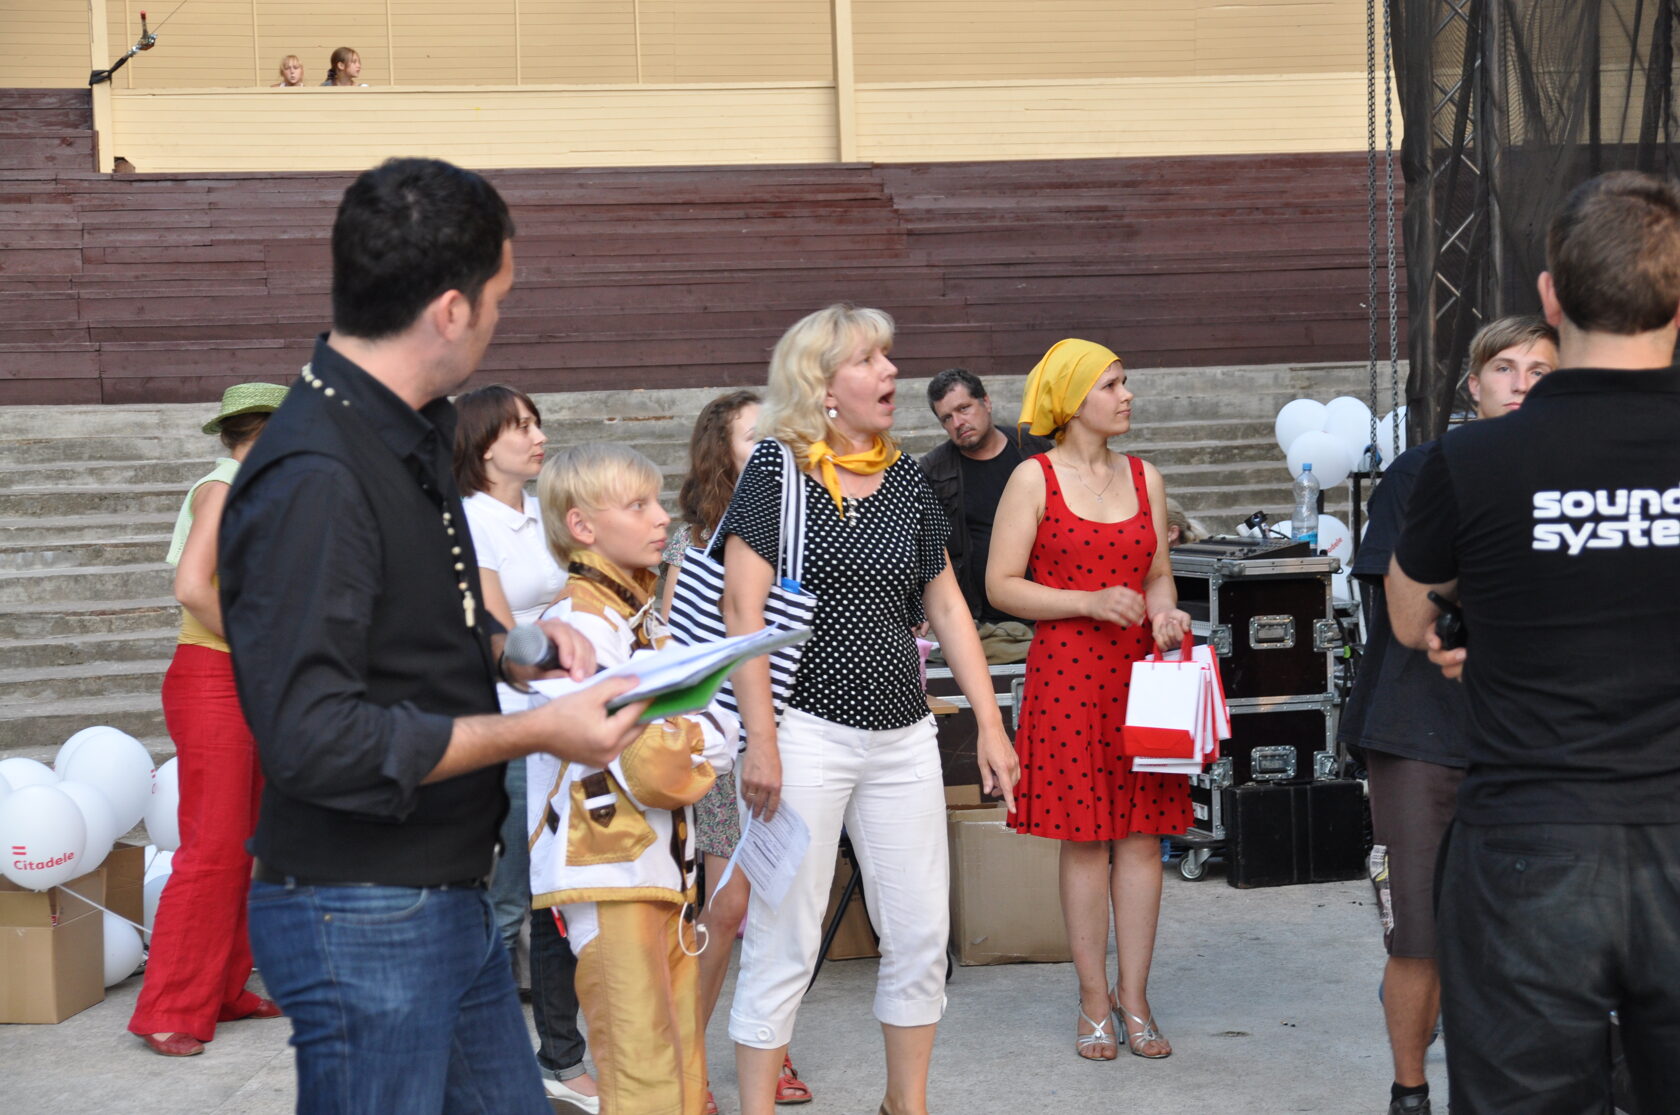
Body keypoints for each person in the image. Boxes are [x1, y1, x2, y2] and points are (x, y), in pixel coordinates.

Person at [217, 157, 648, 1113]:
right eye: (498, 297)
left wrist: (514, 648)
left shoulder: (403, 432)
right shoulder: (315, 472)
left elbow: (420, 617)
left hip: (441, 893)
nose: (499, 318)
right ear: (451, 310)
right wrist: (540, 728)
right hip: (363, 908)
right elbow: (315, 737)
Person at [1388, 170, 1680, 1114]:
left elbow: (1410, 616)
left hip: (1529, 847)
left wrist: (1470, 620)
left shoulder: (1472, 457)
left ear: (1552, 298)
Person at [720, 304, 1019, 1115]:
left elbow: (948, 606)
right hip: (805, 732)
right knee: (785, 936)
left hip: (904, 734)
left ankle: (904, 1104)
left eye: (888, 356)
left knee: (919, 933)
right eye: (868, 360)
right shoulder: (777, 470)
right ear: (821, 386)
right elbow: (742, 610)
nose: (891, 372)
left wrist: (992, 724)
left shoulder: (907, 477)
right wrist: (762, 740)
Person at [1341, 315, 1557, 1115]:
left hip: (1533, 734)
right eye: (1505, 368)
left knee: (1535, 933)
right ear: (1473, 385)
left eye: (1541, 369)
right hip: (1419, 729)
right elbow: (1413, 604)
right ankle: (1410, 1092)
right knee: (1420, 937)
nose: (1522, 382)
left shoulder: (1576, 476)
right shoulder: (1424, 470)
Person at [986, 338, 1193, 1062]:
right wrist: (1086, 600)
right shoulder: (1033, 478)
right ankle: (1093, 998)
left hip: (1141, 675)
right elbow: (1000, 585)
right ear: (1072, 402)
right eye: (1110, 384)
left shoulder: (1146, 476)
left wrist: (1164, 612)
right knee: (1085, 839)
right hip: (1069, 675)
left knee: (1142, 837)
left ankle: (1136, 997)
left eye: (1124, 381)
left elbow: (1158, 573)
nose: (1126, 394)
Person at [522, 442, 738, 1115]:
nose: (661, 517)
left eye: (656, 500)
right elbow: (656, 764)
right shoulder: (579, 625)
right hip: (608, 869)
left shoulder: (634, 617)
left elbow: (706, 727)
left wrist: (698, 732)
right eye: (637, 505)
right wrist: (705, 735)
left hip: (654, 869)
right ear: (582, 525)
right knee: (643, 1072)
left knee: (679, 1065)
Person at [660, 390, 818, 1112]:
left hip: (793, 737)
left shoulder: (804, 526)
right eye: (755, 438)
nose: (772, 449)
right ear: (720, 453)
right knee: (726, 909)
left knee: (781, 906)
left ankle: (768, 1046)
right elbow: (671, 645)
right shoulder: (695, 538)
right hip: (719, 744)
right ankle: (686, 1061)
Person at [126, 382, 289, 1058]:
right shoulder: (223, 488)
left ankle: (221, 989)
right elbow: (191, 588)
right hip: (216, 677)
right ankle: (167, 1008)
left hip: (250, 681)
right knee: (214, 847)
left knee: (250, 846)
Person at [453, 384, 598, 1113]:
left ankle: (556, 1057)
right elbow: (498, 634)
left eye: (538, 422)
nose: (538, 436)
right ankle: (478, 1067)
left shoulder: (545, 512)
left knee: (553, 896)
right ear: (482, 446)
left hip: (567, 714)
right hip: (513, 722)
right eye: (519, 427)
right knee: (511, 897)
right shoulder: (469, 520)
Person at [917, 367, 1052, 664]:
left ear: (986, 402)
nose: (958, 423)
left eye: (964, 408)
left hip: (1047, 608)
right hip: (982, 623)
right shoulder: (933, 471)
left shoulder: (1034, 448)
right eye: (946, 418)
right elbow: (923, 546)